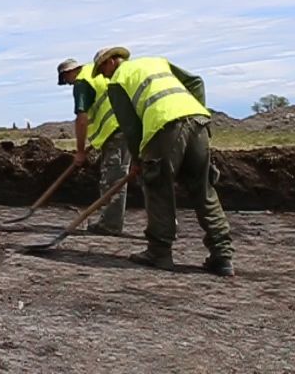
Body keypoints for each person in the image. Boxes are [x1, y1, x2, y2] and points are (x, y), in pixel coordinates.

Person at [93, 46, 235, 276]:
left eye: (102, 70)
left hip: (163, 127)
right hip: (198, 123)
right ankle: (223, 255)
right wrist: (199, 113)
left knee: (158, 187)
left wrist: (139, 159)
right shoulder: (157, 62)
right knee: (203, 190)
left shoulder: (118, 81)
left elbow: (130, 126)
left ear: (111, 62)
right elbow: (196, 82)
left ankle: (159, 251)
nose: (103, 76)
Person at [57, 56, 130, 235]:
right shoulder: (97, 72)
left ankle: (110, 225)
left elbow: (81, 119)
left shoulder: (82, 83)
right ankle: (163, 226)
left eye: (66, 80)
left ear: (69, 72)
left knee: (113, 179)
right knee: (144, 177)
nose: (68, 84)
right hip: (128, 126)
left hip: (116, 133)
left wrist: (80, 151)